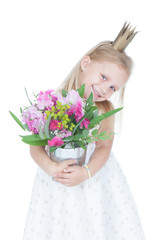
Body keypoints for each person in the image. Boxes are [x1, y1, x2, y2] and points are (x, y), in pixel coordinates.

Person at [23, 22, 146, 239]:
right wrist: (51, 168)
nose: (105, 89)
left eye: (113, 88)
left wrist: (86, 173)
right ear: (86, 63)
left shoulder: (103, 111)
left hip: (93, 181)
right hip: (56, 180)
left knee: (92, 223)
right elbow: (36, 148)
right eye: (104, 77)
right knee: (57, 224)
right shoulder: (54, 103)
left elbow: (104, 148)